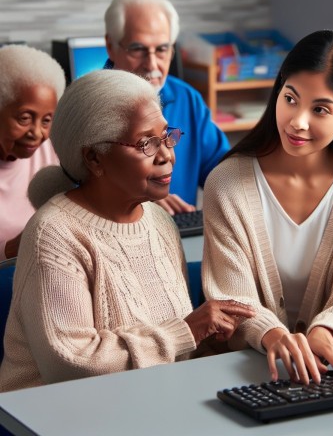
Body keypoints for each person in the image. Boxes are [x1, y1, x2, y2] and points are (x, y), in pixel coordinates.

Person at [0, 70, 254, 392]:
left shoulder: (159, 222)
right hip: (53, 415)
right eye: (146, 143)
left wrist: (218, 344)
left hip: (146, 399)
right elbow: (69, 364)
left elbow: (172, 348)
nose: (166, 155)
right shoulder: (54, 234)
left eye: (167, 136)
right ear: (94, 157)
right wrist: (187, 331)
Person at [201, 30, 333, 385]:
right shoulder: (227, 182)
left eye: (320, 109)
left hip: (332, 371)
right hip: (240, 372)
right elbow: (232, 298)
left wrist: (326, 331)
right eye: (291, 98)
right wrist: (275, 336)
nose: (298, 121)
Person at [103, 0, 230, 215]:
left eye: (161, 49)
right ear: (111, 46)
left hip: (177, 235)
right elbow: (71, 193)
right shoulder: (85, 107)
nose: (151, 63)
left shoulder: (188, 99)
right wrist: (137, 203)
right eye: (138, 49)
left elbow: (224, 175)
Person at [0, 44, 65, 261]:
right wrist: (10, 249)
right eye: (24, 118)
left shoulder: (52, 152)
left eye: (47, 120)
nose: (37, 133)